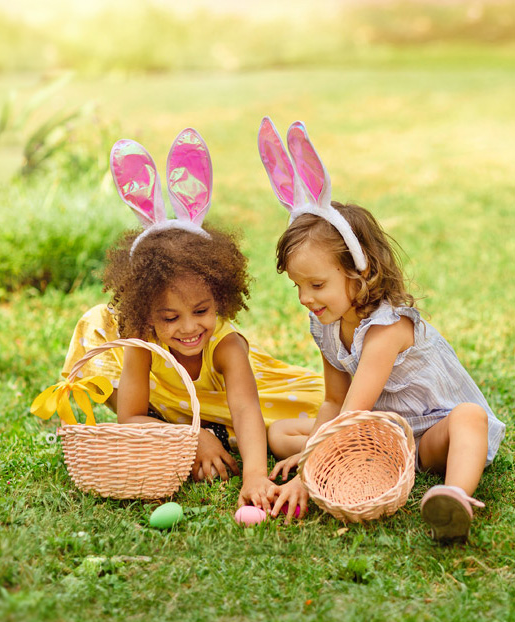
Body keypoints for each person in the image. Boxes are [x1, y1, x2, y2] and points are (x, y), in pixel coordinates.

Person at [258, 117, 506, 541]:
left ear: (360, 271)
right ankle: (376, 461)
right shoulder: (327, 324)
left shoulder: (386, 330)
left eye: (317, 285)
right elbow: (334, 401)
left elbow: (352, 410)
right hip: (387, 433)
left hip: (432, 434)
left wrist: (307, 474)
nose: (305, 298)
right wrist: (310, 450)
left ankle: (454, 496)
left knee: (470, 417)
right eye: (297, 285)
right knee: (280, 433)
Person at [61, 128, 323, 511]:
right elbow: (130, 417)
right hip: (194, 414)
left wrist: (254, 476)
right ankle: (197, 426)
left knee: (296, 429)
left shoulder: (226, 345)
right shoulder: (141, 339)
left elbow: (247, 410)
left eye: (201, 311)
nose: (188, 328)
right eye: (170, 317)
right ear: (147, 314)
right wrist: (193, 436)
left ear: (220, 297)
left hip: (263, 399)